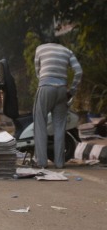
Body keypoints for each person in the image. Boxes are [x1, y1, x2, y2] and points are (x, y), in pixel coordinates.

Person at [33, 41, 82, 169]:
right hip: (62, 90)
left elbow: (38, 71)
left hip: (45, 87)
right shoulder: (67, 51)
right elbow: (79, 72)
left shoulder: (40, 48)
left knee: (40, 124)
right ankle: (59, 163)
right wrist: (72, 91)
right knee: (60, 127)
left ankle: (42, 162)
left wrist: (45, 82)